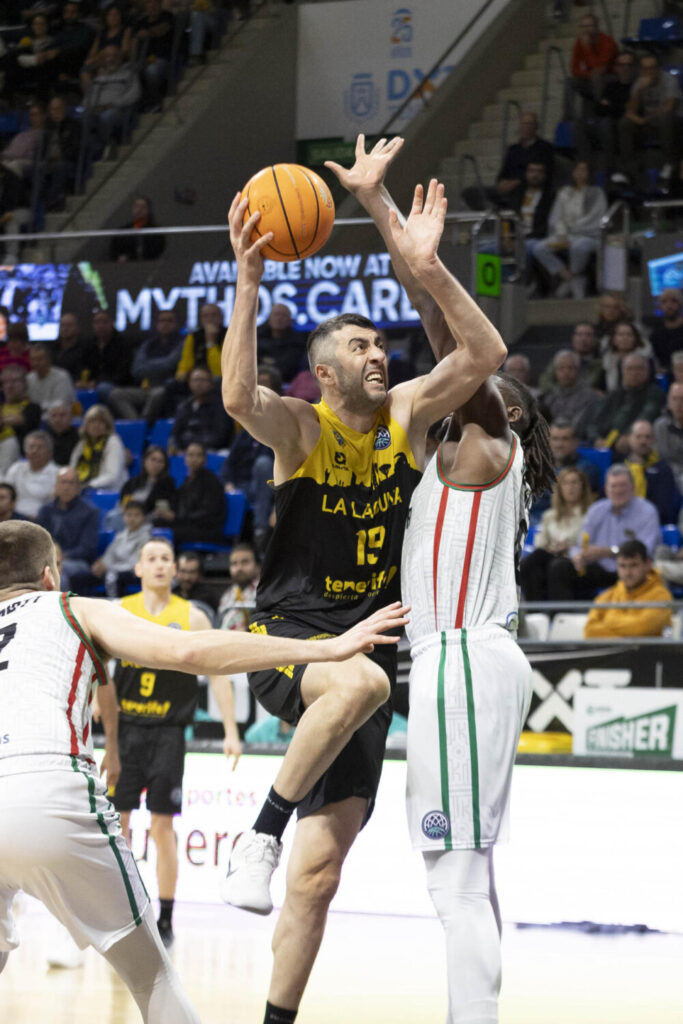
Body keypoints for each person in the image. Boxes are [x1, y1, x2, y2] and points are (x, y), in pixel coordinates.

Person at [220, 137, 507, 1024]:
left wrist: (405, 239)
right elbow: (236, 399)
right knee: (359, 683)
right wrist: (248, 280)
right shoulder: (301, 429)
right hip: (289, 639)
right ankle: (256, 836)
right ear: (325, 371)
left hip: (367, 650)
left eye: (380, 342)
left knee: (319, 877)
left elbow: (484, 352)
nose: (377, 353)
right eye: (358, 345)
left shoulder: (406, 414)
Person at [0, 519, 407, 1023]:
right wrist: (325, 648)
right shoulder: (72, 607)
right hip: (48, 788)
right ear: (48, 576)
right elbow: (189, 651)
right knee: (153, 980)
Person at [402, 370, 554, 1024]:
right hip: (462, 657)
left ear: (506, 413)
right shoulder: (447, 461)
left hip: (462, 652)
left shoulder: (491, 445)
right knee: (472, 874)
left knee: (455, 882)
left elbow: (467, 363)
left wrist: (435, 304)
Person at [547, 464, 661, 601]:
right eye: (613, 486)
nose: (618, 490)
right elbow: (579, 544)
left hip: (630, 569)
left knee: (634, 570)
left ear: (633, 487)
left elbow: (645, 551)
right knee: (559, 567)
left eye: (622, 485)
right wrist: (577, 556)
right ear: (606, 489)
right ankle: (561, 614)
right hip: (598, 568)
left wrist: (609, 551)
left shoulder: (647, 511)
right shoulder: (596, 509)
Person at [530, 160, 607, 299]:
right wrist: (561, 233)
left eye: (583, 170)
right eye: (577, 170)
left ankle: (575, 278)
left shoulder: (596, 193)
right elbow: (557, 216)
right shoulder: (564, 192)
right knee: (539, 248)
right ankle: (568, 276)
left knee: (578, 247)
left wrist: (574, 230)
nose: (580, 174)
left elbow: (595, 217)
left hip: (588, 235)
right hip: (566, 235)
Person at [521, 467, 593, 600]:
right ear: (559, 488)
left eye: (574, 482)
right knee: (535, 565)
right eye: (565, 483)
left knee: (553, 565)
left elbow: (590, 542)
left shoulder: (591, 514)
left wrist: (568, 546)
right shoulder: (549, 516)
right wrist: (553, 548)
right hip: (550, 557)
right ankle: (534, 611)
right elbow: (540, 545)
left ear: (583, 487)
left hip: (576, 562)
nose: (570, 487)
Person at [613, 53, 681, 187]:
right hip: (650, 122)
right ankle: (628, 170)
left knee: (665, 118)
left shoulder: (669, 80)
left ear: (658, 69)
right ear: (640, 70)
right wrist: (639, 91)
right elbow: (630, 111)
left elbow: (669, 107)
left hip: (674, 122)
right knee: (625, 123)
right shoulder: (639, 83)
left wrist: (644, 119)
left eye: (652, 68)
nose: (649, 71)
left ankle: (670, 164)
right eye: (645, 68)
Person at [462, 111, 554, 210]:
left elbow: (541, 172)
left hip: (525, 187)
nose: (525, 127)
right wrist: (501, 183)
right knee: (470, 193)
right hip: (507, 188)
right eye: (523, 124)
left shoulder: (544, 147)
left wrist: (515, 182)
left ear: (535, 127)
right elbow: (504, 171)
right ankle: (492, 209)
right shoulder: (513, 149)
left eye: (529, 124)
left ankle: (500, 209)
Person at [584, 539, 672, 638]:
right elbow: (590, 631)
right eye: (622, 566)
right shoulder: (607, 596)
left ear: (647, 564)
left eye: (633, 565)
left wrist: (609, 620)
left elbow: (641, 629)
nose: (627, 572)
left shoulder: (662, 596)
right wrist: (625, 638)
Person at [108, 310, 183, 421]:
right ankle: (136, 423)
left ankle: (143, 424)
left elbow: (169, 364)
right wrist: (159, 366)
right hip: (146, 388)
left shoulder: (182, 343)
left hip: (166, 388)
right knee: (116, 394)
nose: (165, 324)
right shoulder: (148, 344)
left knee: (157, 394)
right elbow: (136, 369)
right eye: (162, 321)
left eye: (169, 321)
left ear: (176, 324)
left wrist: (148, 365)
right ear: (156, 324)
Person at [574, 50, 637, 176]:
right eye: (621, 65)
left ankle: (611, 166)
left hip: (626, 125)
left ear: (634, 67)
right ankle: (584, 166)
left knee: (606, 123)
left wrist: (611, 106)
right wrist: (616, 107)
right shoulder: (611, 86)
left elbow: (630, 109)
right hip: (607, 121)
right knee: (578, 125)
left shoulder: (636, 86)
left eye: (628, 65)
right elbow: (599, 108)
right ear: (616, 68)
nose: (625, 68)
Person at [586, 351, 665, 452]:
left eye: (639, 368)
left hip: (633, 444)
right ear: (622, 371)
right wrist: (596, 439)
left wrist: (629, 435)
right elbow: (593, 422)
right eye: (629, 369)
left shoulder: (655, 394)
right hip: (605, 444)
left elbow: (646, 416)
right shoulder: (613, 394)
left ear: (647, 371)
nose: (634, 373)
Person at [36, 466, 99, 589]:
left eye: (71, 483)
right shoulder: (45, 510)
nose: (66, 487)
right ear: (55, 486)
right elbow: (39, 540)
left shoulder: (90, 511)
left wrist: (61, 556)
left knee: (58, 571)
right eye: (63, 482)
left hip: (77, 561)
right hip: (48, 559)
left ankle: (59, 601)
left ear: (78, 488)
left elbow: (87, 548)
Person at [84, 45, 141, 160]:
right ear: (103, 59)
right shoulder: (98, 79)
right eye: (108, 56)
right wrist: (92, 107)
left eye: (115, 56)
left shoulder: (128, 74)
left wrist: (114, 104)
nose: (111, 59)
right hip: (96, 110)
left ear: (120, 58)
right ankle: (100, 149)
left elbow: (134, 94)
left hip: (117, 110)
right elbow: (87, 99)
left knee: (107, 117)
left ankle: (107, 145)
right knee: (83, 120)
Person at [165, 442, 226, 547]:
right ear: (185, 459)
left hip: (207, 529)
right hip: (188, 524)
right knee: (156, 524)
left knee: (170, 533)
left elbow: (208, 513)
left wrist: (177, 518)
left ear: (205, 460)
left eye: (199, 455)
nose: (194, 459)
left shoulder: (210, 480)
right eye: (190, 455)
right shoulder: (186, 482)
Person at [622, 419, 680, 526]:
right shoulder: (620, 468)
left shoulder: (663, 470)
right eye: (638, 437)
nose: (643, 441)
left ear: (653, 439)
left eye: (647, 437)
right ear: (630, 439)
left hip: (653, 525)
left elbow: (664, 509)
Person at [90, 499, 152, 597]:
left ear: (144, 517)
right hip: (115, 570)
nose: (132, 519)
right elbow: (109, 555)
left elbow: (135, 563)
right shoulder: (120, 536)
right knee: (85, 576)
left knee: (112, 576)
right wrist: (101, 565)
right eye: (129, 515)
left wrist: (109, 568)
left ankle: (115, 603)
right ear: (124, 517)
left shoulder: (146, 538)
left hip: (133, 573)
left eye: (136, 515)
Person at [168, 366, 233, 452]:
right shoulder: (184, 407)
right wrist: (175, 447)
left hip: (211, 451)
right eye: (195, 380)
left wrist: (195, 446)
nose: (198, 384)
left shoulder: (221, 407)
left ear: (212, 384)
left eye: (203, 380)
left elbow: (220, 437)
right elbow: (175, 434)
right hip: (186, 452)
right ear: (189, 383)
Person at [566, 11, 618, 119]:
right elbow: (574, 69)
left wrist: (587, 48)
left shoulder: (608, 41)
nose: (586, 30)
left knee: (597, 77)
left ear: (597, 27)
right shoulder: (579, 42)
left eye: (590, 26)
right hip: (591, 77)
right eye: (584, 26)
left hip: (609, 77)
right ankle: (568, 116)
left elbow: (600, 67)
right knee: (570, 81)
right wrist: (588, 74)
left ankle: (600, 111)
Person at [540, 350, 602, 435]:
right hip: (552, 437)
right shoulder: (550, 396)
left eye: (570, 368)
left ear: (578, 370)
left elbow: (580, 424)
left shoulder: (590, 396)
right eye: (561, 368)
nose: (566, 372)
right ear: (555, 372)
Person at [69, 404, 127, 491]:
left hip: (108, 491)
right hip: (82, 489)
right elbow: (72, 469)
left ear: (107, 426)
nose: (96, 425)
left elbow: (112, 476)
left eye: (101, 422)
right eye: (92, 421)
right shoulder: (81, 444)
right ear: (86, 425)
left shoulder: (113, 442)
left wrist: (89, 485)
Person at [4, 430, 58, 518]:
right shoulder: (16, 468)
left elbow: (55, 503)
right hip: (12, 518)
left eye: (40, 447)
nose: (34, 451)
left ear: (49, 452)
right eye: (31, 447)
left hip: (42, 519)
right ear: (25, 452)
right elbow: (5, 493)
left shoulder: (57, 473)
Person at [538, 321, 604, 393]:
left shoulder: (599, 364)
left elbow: (589, 384)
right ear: (573, 338)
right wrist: (561, 392)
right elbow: (545, 382)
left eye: (588, 335)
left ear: (595, 340)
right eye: (579, 334)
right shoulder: (562, 358)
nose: (583, 339)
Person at [132, 0, 175, 112]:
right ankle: (140, 106)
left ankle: (156, 101)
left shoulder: (166, 16)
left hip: (162, 58)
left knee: (151, 71)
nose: (151, 7)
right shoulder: (140, 22)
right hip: (143, 59)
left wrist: (148, 33)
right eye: (149, 4)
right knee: (132, 71)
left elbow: (164, 28)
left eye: (154, 4)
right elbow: (134, 40)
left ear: (159, 5)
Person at [120, 443, 177, 520]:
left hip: (149, 520)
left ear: (165, 465)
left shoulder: (168, 485)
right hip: (128, 518)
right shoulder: (131, 483)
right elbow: (124, 504)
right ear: (145, 461)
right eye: (153, 459)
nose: (156, 464)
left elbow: (162, 510)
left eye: (160, 461)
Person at [109, 195, 166, 262]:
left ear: (148, 210)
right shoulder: (123, 231)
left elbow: (156, 251)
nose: (139, 210)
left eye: (143, 207)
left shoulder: (155, 232)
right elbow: (114, 250)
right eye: (136, 206)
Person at [217, 542, 260, 631]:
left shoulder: (265, 592)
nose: (239, 568)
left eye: (245, 562)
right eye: (234, 563)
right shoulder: (227, 595)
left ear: (258, 566)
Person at [601, 320, 651, 392]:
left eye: (629, 334)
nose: (625, 338)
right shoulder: (607, 361)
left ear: (635, 338)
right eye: (620, 334)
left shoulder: (645, 360)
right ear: (614, 339)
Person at [26, 342, 76, 413]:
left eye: (40, 359)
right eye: (33, 360)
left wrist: (37, 409)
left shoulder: (62, 376)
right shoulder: (29, 378)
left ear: (48, 359)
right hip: (36, 416)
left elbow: (62, 403)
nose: (36, 363)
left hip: (60, 415)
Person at [0, 362, 41, 445]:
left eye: (14, 381)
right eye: (6, 382)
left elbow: (26, 421)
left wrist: (3, 421)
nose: (10, 386)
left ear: (25, 384)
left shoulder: (33, 408)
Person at [654, 382, 683, 491]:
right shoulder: (660, 426)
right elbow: (659, 457)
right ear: (669, 402)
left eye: (682, 399)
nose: (678, 404)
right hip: (667, 476)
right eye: (674, 399)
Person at [650, 288, 683, 375]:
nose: (669, 305)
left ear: (680, 304)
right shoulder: (656, 333)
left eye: (673, 301)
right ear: (660, 306)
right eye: (664, 302)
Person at [52, 311, 88, 382]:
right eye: (62, 325)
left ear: (77, 328)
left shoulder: (85, 349)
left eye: (69, 325)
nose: (65, 328)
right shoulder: (53, 348)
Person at [45, 400, 79, 465]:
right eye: (54, 416)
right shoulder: (43, 437)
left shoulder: (79, 436)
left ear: (71, 417)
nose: (57, 420)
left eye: (62, 415)